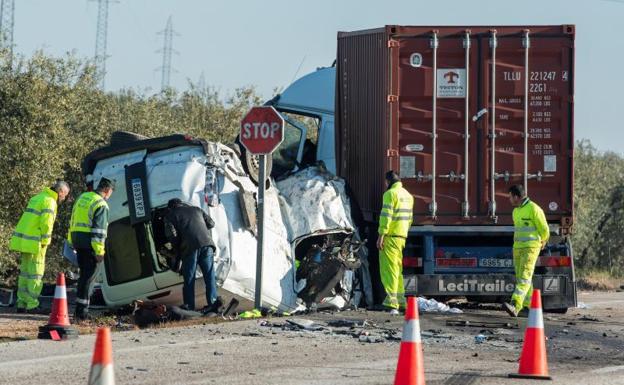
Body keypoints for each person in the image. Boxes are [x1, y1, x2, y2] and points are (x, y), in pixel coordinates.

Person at [10, 181, 70, 313]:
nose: (64, 198)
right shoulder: (50, 201)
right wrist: (45, 241)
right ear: (60, 192)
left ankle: (21, 303)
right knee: (35, 274)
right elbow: (46, 224)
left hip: (25, 241)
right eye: (65, 195)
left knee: (25, 273)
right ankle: (32, 305)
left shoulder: (37, 197)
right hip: (36, 242)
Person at [68, 178, 114, 321]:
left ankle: (79, 310)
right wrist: (99, 252)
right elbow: (99, 232)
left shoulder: (83, 197)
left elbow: (72, 219)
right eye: (111, 192)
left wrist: (71, 241)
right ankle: (82, 313)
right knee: (89, 278)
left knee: (83, 277)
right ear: (107, 190)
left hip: (77, 241)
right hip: (90, 245)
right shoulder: (101, 204)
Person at [164, 198, 219, 313]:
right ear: (181, 203)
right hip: (207, 244)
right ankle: (214, 305)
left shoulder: (170, 215)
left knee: (189, 279)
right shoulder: (196, 209)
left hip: (189, 248)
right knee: (209, 276)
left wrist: (177, 249)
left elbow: (171, 235)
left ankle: (189, 308)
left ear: (170, 208)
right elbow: (211, 223)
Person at [503, 184, 550, 317]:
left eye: (510, 197)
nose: (509, 200)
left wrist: (543, 240)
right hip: (518, 248)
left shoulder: (534, 209)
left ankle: (515, 305)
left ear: (517, 197)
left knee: (524, 277)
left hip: (530, 248)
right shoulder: (516, 211)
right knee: (521, 278)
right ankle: (528, 307)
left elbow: (544, 229)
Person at [377, 171, 414, 315]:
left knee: (388, 269)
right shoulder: (408, 196)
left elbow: (386, 216)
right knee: (397, 270)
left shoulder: (390, 194)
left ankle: (391, 302)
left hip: (390, 236)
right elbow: (410, 219)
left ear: (388, 181)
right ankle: (401, 301)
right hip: (401, 236)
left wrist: (381, 235)